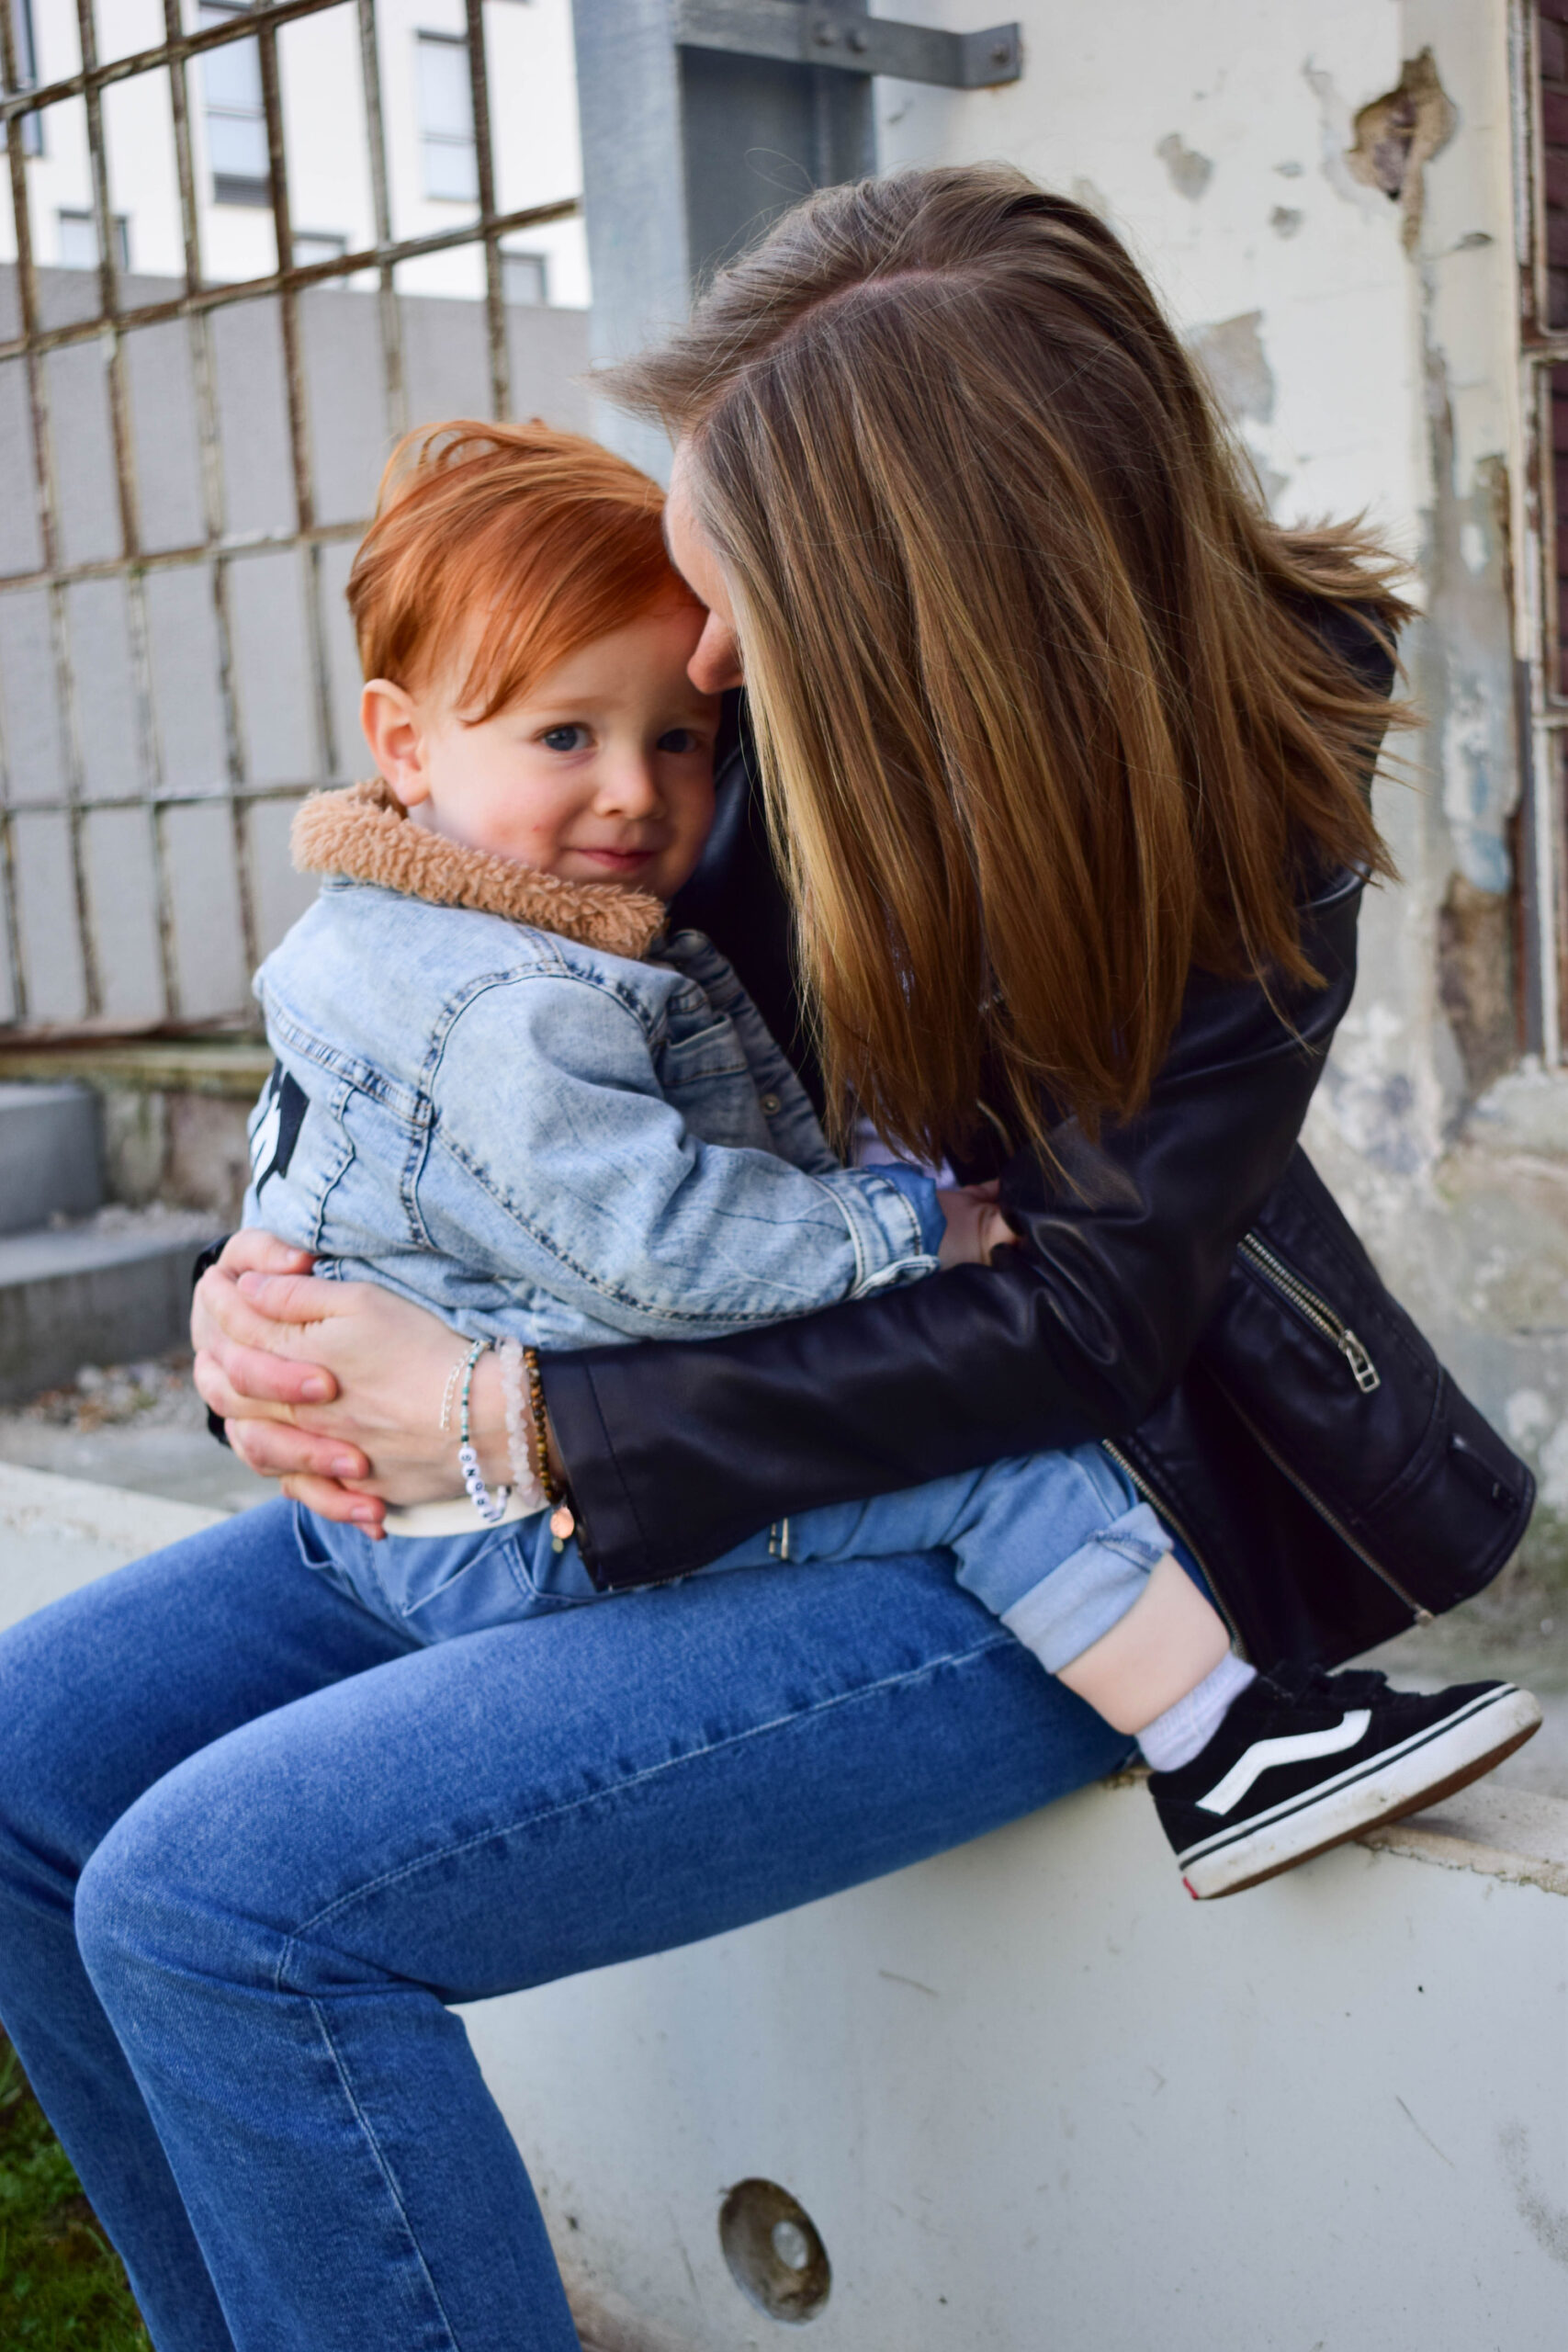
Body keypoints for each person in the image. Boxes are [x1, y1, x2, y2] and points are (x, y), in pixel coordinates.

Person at [0, 169, 1537, 2352]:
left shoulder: (1235, 775)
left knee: (223, 1908)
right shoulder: (713, 730)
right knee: (32, 1768)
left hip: (1052, 1527)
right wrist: (271, 1268)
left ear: (923, 592)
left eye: (732, 600)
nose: (692, 671)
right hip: (599, 1458)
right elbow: (444, 949)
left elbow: (1088, 1313)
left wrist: (517, 1411)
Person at [247, 413, 1535, 1899]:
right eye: (567, 738)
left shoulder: (411, 924)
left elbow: (1087, 1309)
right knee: (1007, 1482)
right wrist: (916, 1228)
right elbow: (657, 1243)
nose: (641, 788)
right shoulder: (515, 984)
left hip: (492, 1480)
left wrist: (456, 1387)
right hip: (477, 1505)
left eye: (680, 736)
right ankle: (1224, 1745)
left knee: (227, 1896)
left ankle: (1224, 1725)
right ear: (402, 743)